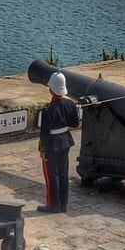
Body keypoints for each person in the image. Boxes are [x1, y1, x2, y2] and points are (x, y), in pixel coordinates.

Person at [38, 71, 78, 213]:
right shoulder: (70, 104)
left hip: (52, 144)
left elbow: (45, 132)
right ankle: (63, 204)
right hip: (65, 141)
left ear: (51, 90)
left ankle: (53, 205)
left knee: (51, 175)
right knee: (63, 173)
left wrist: (42, 150)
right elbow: (74, 123)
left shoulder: (48, 110)